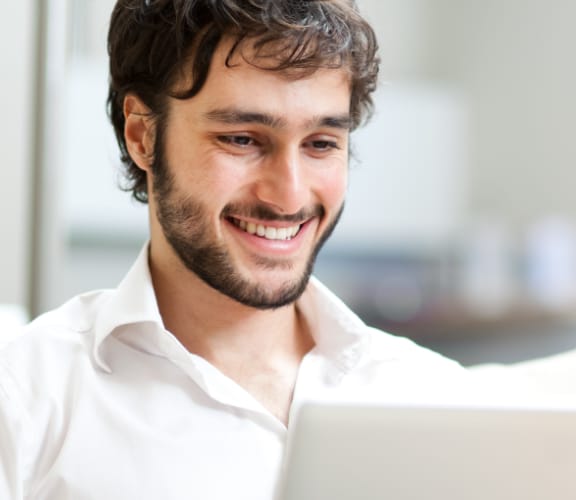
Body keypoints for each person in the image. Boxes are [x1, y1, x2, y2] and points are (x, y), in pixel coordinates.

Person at [0, 1, 466, 499]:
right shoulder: (27, 396)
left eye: (321, 143)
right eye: (242, 139)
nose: (288, 195)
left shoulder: (438, 397)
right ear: (142, 135)